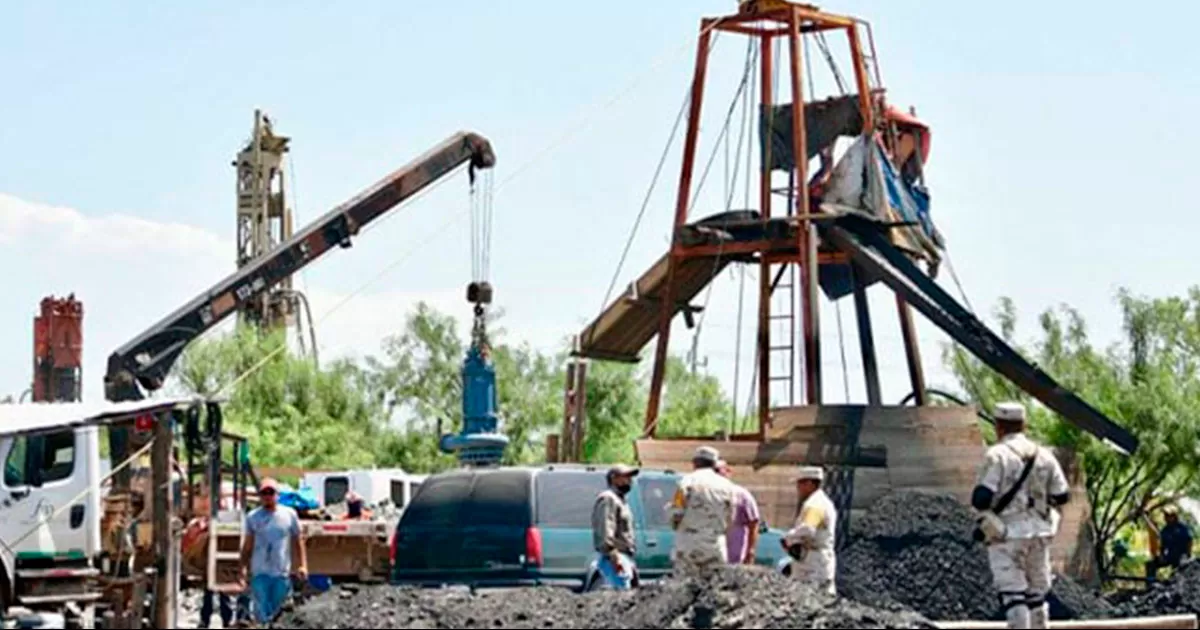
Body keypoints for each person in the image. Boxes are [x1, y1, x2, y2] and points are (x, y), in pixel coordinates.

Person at [972, 401, 1070, 630]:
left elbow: (981, 499)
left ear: (998, 426)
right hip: (1040, 533)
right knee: (1037, 596)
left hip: (1007, 534)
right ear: (1024, 425)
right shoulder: (1044, 455)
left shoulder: (996, 455)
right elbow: (1062, 495)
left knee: (1013, 595)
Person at [239, 478, 308, 625]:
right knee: (261, 612)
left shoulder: (289, 514)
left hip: (281, 572)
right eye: (264, 493)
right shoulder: (253, 517)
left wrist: (302, 565)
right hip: (260, 572)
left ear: (277, 494)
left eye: (270, 492)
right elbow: (248, 544)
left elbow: (298, 539)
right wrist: (243, 567)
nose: (267, 496)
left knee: (279, 612)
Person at [670, 446, 737, 575]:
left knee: (684, 587)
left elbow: (676, 512)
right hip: (715, 544)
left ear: (695, 462)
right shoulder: (727, 485)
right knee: (715, 586)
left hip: (689, 544)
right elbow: (731, 517)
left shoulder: (687, 482)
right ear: (714, 464)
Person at [781, 466, 837, 596]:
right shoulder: (821, 501)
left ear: (810, 483)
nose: (797, 487)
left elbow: (808, 529)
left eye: (800, 483)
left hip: (812, 563)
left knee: (811, 596)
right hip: (817, 559)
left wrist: (789, 538)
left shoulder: (815, 504)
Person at [591, 464, 639, 590]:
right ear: (614, 478)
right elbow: (605, 527)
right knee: (620, 598)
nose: (630, 480)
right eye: (626, 476)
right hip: (614, 558)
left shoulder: (621, 500)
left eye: (630, 477)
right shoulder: (608, 499)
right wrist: (613, 554)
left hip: (625, 557)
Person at [716, 460, 761, 565]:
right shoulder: (706, 496)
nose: (716, 475)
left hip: (736, 557)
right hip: (714, 556)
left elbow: (754, 524)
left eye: (719, 471)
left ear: (728, 471)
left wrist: (750, 551)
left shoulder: (742, 494)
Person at [1146, 509, 1194, 582]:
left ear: (1174, 517)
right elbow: (1162, 545)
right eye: (1166, 516)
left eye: (1168, 516)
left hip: (1181, 556)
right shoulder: (1165, 530)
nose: (1166, 518)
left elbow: (1189, 540)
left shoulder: (1182, 528)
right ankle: (1150, 583)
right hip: (1170, 556)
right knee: (1151, 564)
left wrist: (1188, 554)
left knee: (1179, 568)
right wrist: (1161, 555)